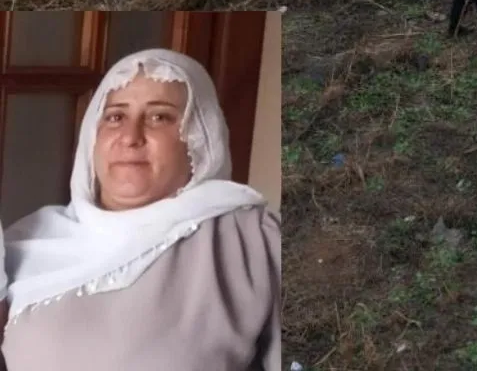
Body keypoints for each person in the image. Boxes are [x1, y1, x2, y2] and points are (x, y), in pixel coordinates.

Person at [2, 49, 280, 371]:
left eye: (158, 117)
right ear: (93, 133)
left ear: (198, 138)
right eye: (116, 116)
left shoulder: (251, 240)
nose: (130, 137)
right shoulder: (27, 241)